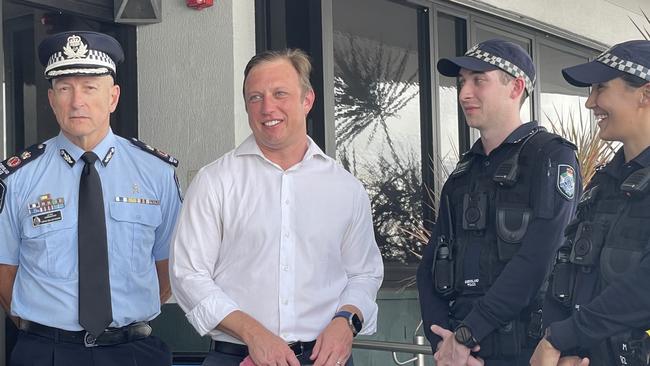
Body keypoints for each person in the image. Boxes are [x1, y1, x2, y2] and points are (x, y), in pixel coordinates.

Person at [169, 48, 384, 366]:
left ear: (307, 100)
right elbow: (188, 275)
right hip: (239, 357)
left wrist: (346, 321)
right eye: (255, 97)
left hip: (323, 358)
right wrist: (254, 334)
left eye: (280, 93)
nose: (267, 107)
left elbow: (364, 273)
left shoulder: (345, 188)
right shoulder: (215, 181)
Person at [0, 31, 182, 365]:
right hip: (46, 351)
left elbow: (169, 266)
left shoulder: (155, 173)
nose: (76, 101)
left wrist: (125, 319)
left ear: (113, 98)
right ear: (52, 99)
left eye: (89, 87)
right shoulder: (18, 178)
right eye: (65, 88)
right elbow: (4, 270)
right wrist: (48, 327)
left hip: (133, 351)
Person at [416, 39, 581, 366]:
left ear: (515, 87)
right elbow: (429, 269)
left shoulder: (551, 157)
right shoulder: (463, 173)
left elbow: (537, 262)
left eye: (479, 80)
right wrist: (444, 345)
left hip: (526, 353)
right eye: (462, 81)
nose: (464, 93)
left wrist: (465, 337)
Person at [531, 40, 650, 366]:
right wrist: (562, 351)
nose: (589, 102)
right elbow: (567, 265)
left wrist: (562, 338)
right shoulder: (603, 182)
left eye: (600, 88)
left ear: (644, 93)